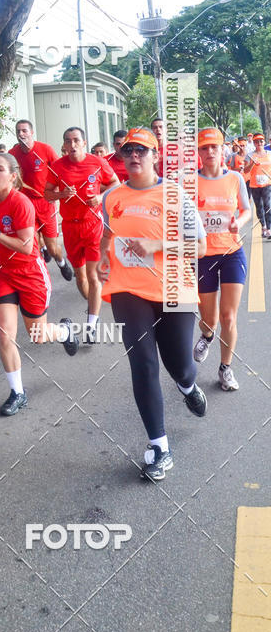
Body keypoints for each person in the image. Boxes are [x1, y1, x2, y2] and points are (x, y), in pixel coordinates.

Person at [97, 127, 208, 482]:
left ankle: (188, 386)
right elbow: (108, 232)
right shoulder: (112, 197)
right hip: (128, 289)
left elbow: (201, 247)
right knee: (143, 363)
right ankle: (159, 446)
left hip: (174, 289)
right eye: (129, 150)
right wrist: (102, 258)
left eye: (142, 151)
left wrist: (158, 246)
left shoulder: (174, 193)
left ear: (155, 156)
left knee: (180, 366)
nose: (134, 156)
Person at [0, 153, 78, 416]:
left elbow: (26, 247)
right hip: (3, 275)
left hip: (30, 274)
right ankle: (17, 392)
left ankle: (64, 332)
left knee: (37, 336)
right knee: (6, 337)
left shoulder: (21, 203)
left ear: (12, 177)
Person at [45, 127, 119, 342]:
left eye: (76, 140)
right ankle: (93, 307)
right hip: (69, 226)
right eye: (68, 141)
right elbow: (46, 193)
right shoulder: (57, 166)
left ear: (84, 143)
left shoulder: (97, 163)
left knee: (93, 276)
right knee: (80, 277)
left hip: (92, 225)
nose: (73, 144)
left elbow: (115, 183)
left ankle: (91, 324)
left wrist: (101, 197)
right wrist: (61, 194)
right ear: (64, 145)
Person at [193, 128, 250, 391]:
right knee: (210, 318)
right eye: (204, 148)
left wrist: (238, 222)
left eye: (214, 147)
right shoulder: (189, 183)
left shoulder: (236, 178)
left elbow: (246, 209)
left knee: (229, 316)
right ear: (199, 152)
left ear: (222, 149)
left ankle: (225, 368)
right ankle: (206, 334)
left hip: (231, 253)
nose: (209, 152)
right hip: (203, 255)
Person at [9, 119, 73, 280]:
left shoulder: (44, 149)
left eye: (24, 130)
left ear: (31, 132)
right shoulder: (12, 154)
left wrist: (57, 192)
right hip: (25, 205)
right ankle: (41, 277)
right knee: (31, 245)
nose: (21, 134)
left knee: (52, 247)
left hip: (45, 202)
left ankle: (61, 262)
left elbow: (60, 171)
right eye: (18, 131)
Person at [244, 132, 271, 237]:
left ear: (264, 142)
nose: (259, 143)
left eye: (261, 141)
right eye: (256, 141)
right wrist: (251, 163)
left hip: (267, 184)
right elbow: (246, 171)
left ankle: (269, 228)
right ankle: (263, 226)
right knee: (259, 207)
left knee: (268, 206)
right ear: (254, 143)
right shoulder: (250, 155)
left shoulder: (269, 154)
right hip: (254, 185)